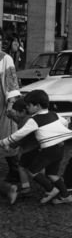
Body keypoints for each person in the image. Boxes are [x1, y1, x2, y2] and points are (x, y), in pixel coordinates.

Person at [0, 90, 72, 204]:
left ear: (37, 106)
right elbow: (65, 122)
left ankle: (51, 190)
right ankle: (66, 196)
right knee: (52, 174)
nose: (27, 107)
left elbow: (19, 135)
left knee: (32, 171)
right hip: (59, 148)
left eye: (29, 105)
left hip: (49, 150)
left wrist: (3, 142)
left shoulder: (34, 120)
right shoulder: (53, 114)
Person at [0, 28, 21, 184]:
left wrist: (10, 105)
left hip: (2, 107)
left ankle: (16, 174)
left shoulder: (5, 59)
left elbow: (12, 85)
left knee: (7, 139)